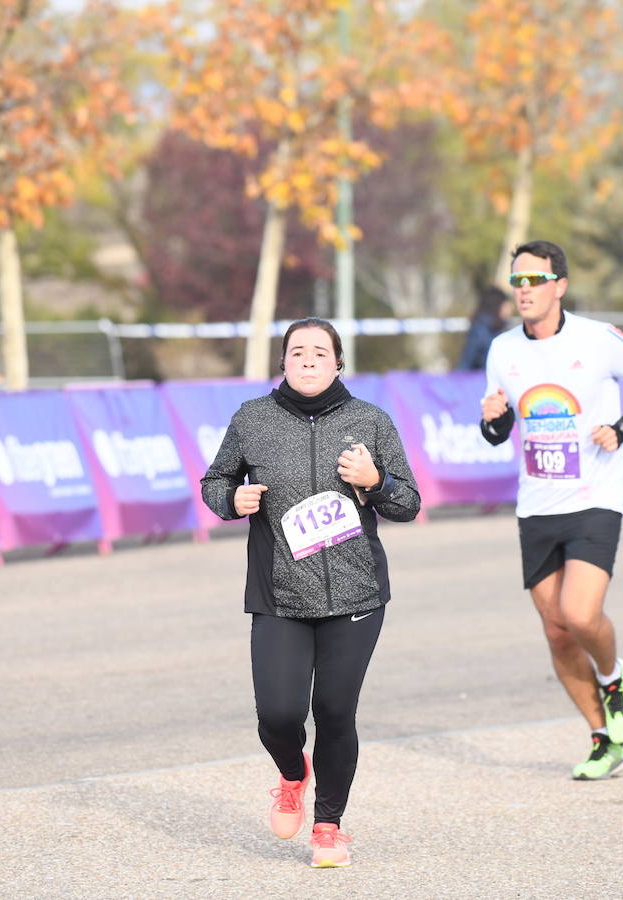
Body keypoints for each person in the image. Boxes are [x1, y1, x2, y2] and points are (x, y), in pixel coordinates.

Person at [200, 317, 421, 868]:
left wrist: (376, 481)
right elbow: (214, 480)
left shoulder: (370, 421)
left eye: (319, 351)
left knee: (334, 709)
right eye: (297, 350)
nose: (307, 358)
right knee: (277, 714)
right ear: (283, 361)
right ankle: (293, 773)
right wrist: (234, 501)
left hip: (356, 595)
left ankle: (328, 825)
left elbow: (408, 504)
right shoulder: (253, 419)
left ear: (338, 363)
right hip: (279, 595)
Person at [479, 239, 623, 780]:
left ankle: (612, 677)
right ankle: (602, 738)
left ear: (559, 286)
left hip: (595, 498)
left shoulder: (599, 339)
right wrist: (493, 418)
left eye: (535, 280)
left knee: (581, 615)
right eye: (518, 281)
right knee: (557, 631)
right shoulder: (502, 351)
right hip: (536, 505)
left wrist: (621, 429)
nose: (525, 291)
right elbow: (498, 434)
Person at [456, 286, 514, 371]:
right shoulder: (479, 331)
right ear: (497, 306)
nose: (510, 309)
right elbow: (466, 363)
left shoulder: (503, 329)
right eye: (506, 305)